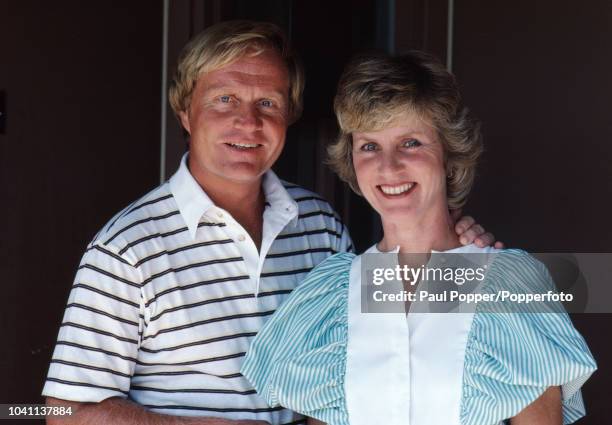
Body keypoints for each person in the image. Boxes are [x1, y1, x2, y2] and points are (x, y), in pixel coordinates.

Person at [43, 22, 497, 425]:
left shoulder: (320, 227)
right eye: (225, 99)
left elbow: (395, 347)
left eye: (268, 102)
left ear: (289, 115)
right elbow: (58, 411)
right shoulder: (127, 248)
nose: (248, 122)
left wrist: (465, 254)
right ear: (185, 111)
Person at [241, 51, 597, 425]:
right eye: (369, 146)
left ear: (448, 153)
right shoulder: (330, 292)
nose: (388, 166)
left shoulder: (508, 282)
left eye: (410, 142)